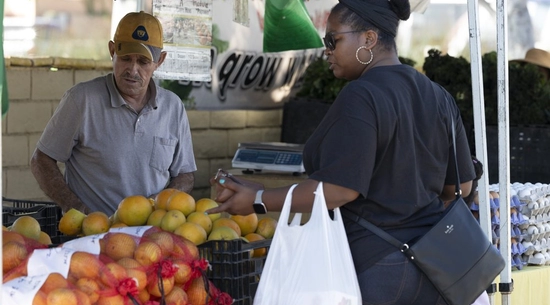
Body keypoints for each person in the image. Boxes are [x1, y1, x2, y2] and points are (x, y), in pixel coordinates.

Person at [207, 0, 476, 304]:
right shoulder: (438, 95)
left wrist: (258, 200)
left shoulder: (362, 95)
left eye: (333, 39)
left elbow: (339, 190)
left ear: (369, 39)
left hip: (376, 268)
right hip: (434, 268)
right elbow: (460, 187)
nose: (327, 50)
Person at [30, 11, 197, 215]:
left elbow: (185, 174)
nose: (133, 70)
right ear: (112, 51)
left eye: (143, 62)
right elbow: (41, 159)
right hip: (91, 236)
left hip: (151, 237)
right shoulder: (82, 99)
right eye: (126, 58)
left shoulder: (173, 107)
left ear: (159, 61)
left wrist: (160, 203)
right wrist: (75, 208)